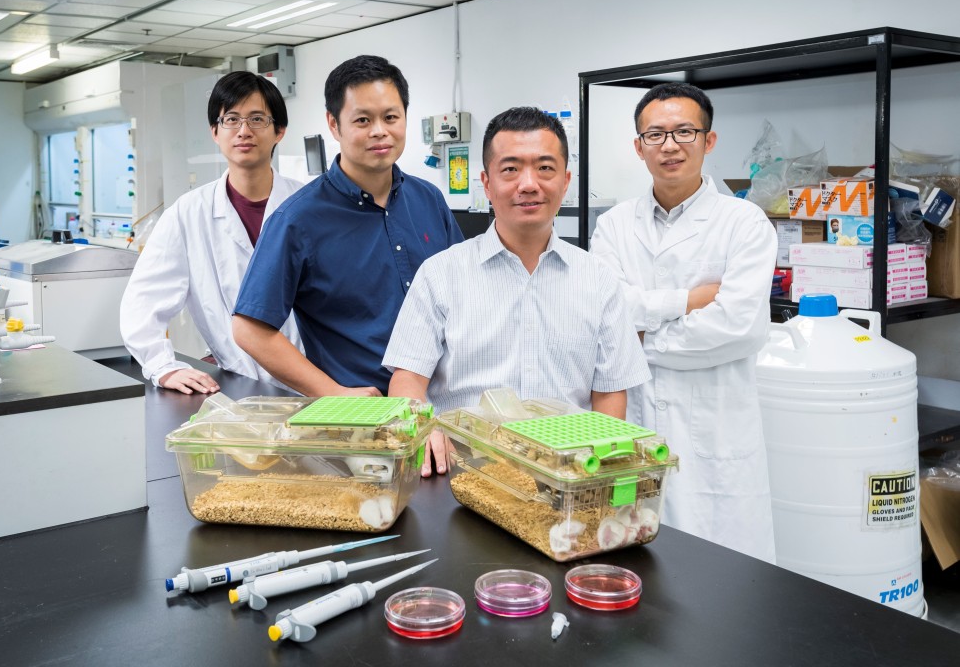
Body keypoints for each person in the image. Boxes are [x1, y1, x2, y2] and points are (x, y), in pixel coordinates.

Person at [385, 107, 650, 477]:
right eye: (510, 169)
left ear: (566, 180)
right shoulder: (441, 274)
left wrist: (603, 471)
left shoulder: (598, 280)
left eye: (545, 168)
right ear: (487, 182)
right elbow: (407, 379)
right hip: (463, 475)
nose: (529, 184)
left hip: (568, 475)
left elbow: (609, 394)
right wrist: (422, 429)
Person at [590, 82, 778, 562]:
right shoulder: (613, 225)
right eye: (655, 135)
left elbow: (737, 329)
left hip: (716, 424)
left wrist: (637, 336)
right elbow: (605, 314)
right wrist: (690, 300)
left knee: (726, 571)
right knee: (634, 563)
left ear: (708, 141)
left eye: (684, 132)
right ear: (639, 147)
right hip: (635, 416)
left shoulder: (746, 223)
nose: (669, 145)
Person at [232, 55, 463, 398]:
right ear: (334, 124)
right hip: (363, 420)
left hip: (446, 403)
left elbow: (463, 293)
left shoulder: (428, 199)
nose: (379, 131)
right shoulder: (298, 219)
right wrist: (334, 393)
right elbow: (249, 329)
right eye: (363, 120)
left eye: (390, 117)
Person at [120, 71, 302, 394]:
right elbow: (141, 303)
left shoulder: (310, 206)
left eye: (257, 118)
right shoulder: (186, 215)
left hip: (316, 388)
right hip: (238, 389)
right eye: (231, 119)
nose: (244, 131)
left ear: (280, 131)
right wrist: (163, 367)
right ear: (215, 132)